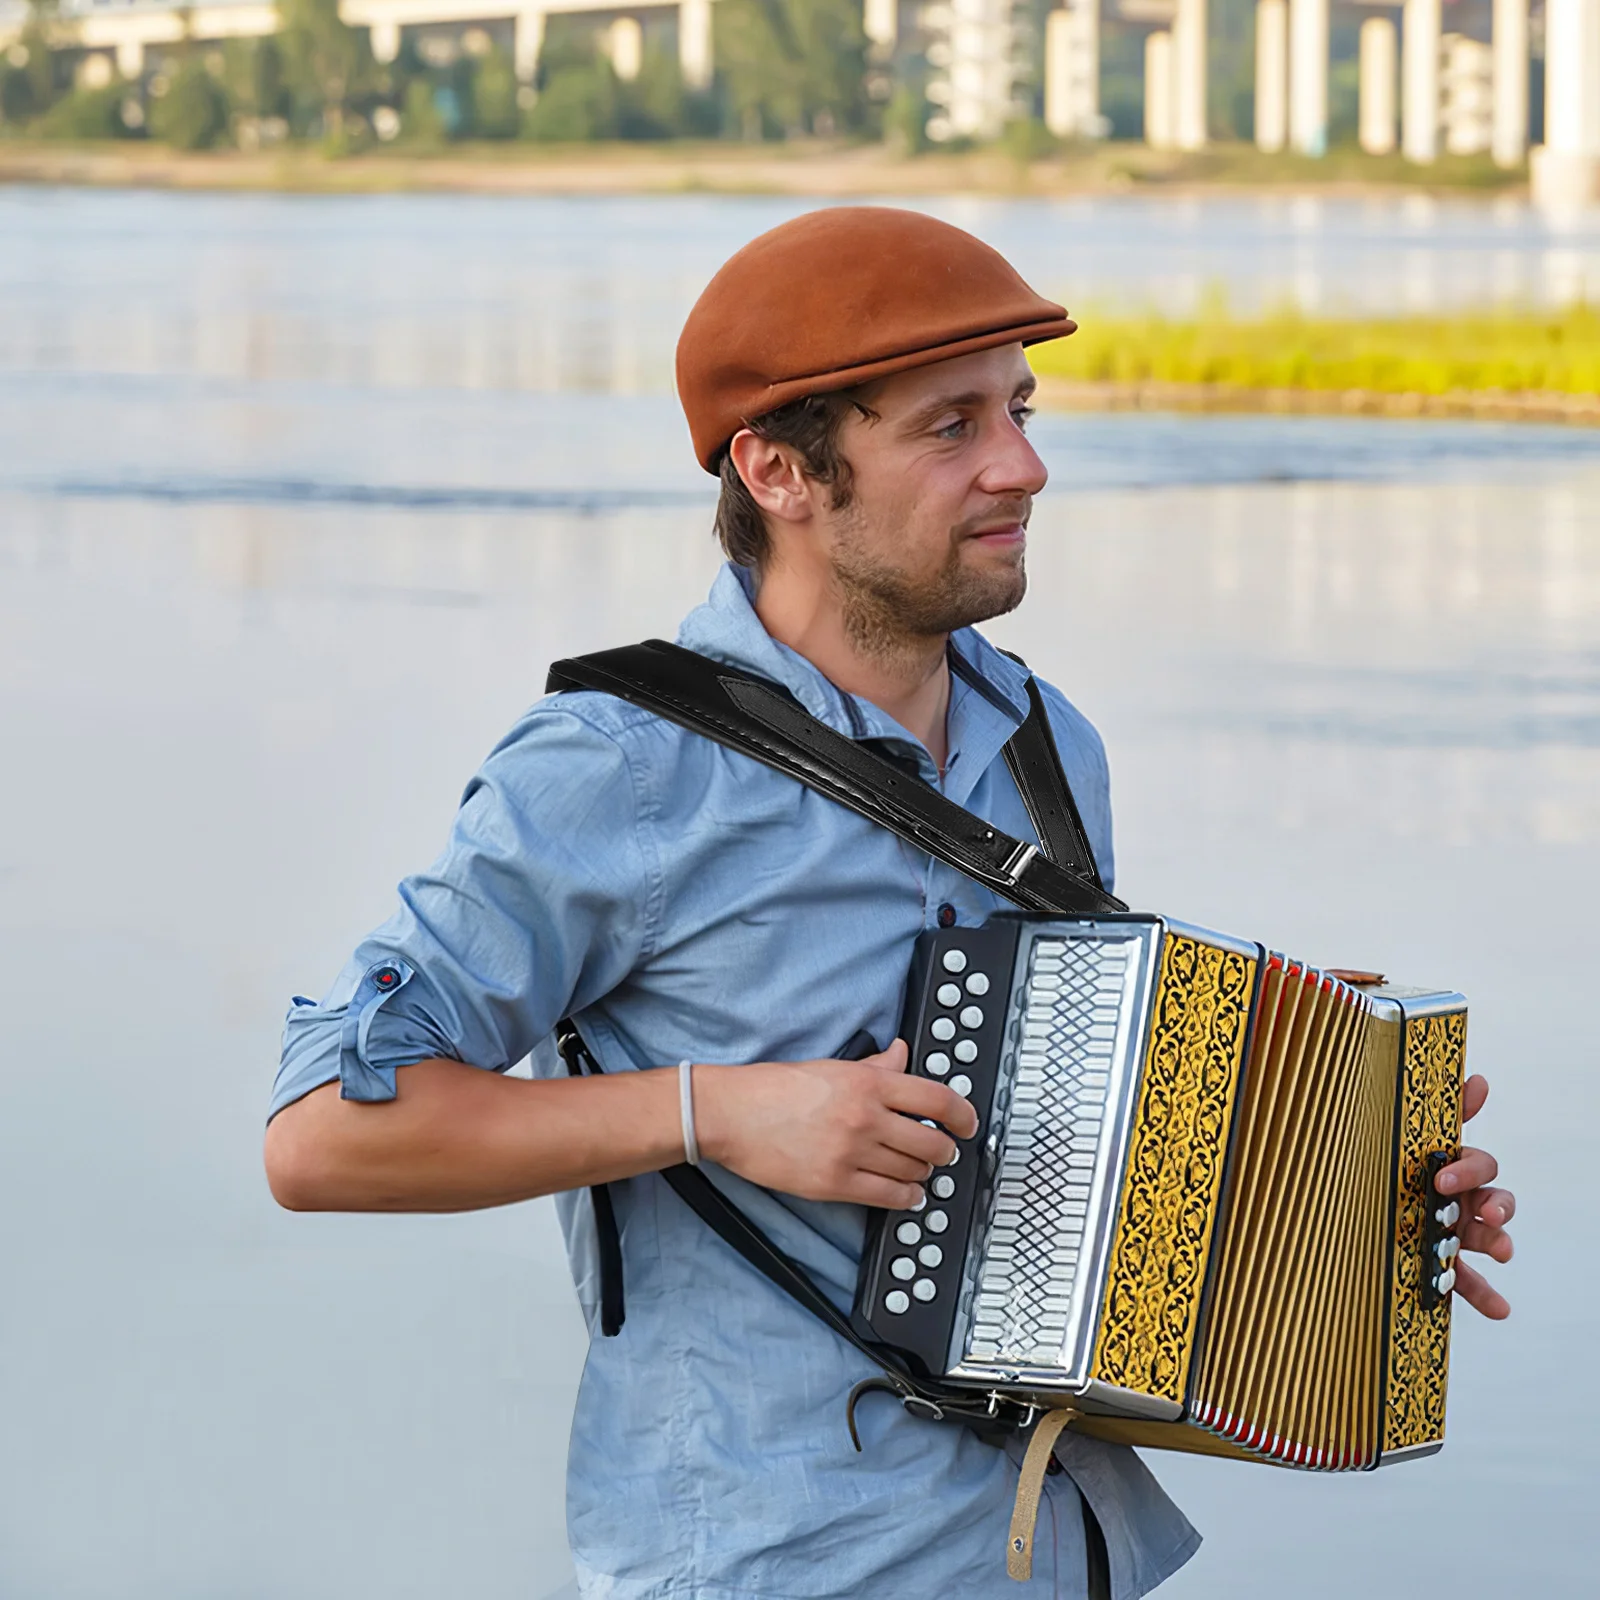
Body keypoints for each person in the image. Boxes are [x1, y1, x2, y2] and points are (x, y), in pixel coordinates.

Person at [264, 208, 1515, 1600]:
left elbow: (1051, 1179)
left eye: (1022, 414)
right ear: (782, 471)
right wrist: (721, 1109)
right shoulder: (621, 768)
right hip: (775, 1563)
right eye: (951, 427)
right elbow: (321, 1138)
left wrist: (1336, 1170)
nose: (1023, 465)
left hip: (1052, 1555)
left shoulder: (1046, 739)